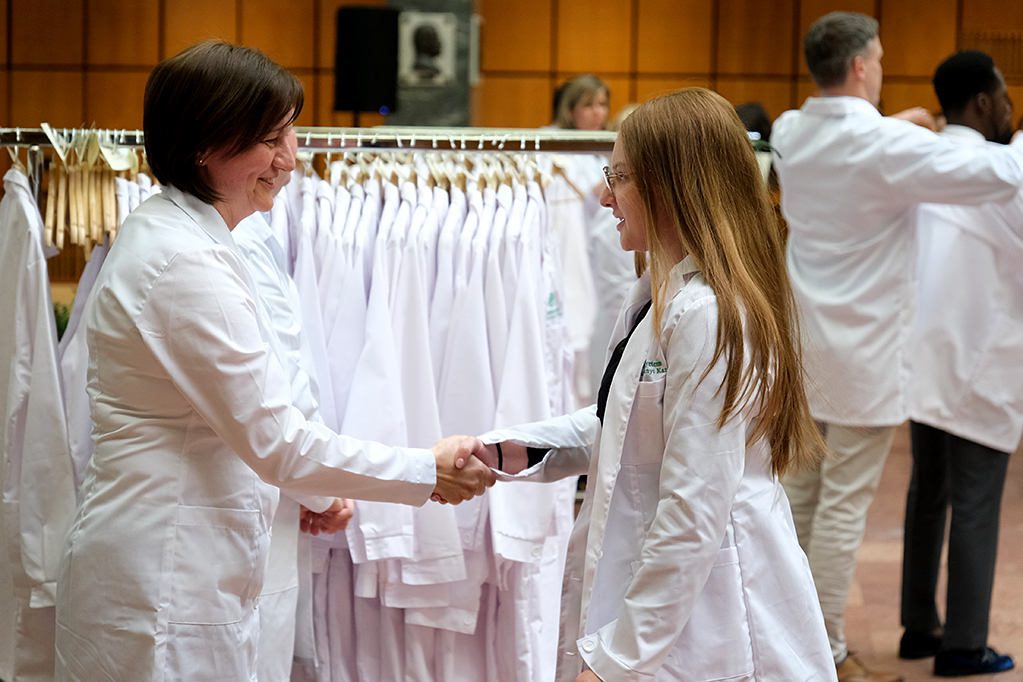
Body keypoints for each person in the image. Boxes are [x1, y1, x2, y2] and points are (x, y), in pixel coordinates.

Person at [52, 41, 495, 682]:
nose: (289, 159)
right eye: (269, 139)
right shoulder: (183, 260)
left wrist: (312, 489)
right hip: (164, 576)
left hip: (193, 565)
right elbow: (278, 438)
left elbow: (267, 398)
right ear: (205, 145)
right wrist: (425, 470)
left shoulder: (205, 237)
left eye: (290, 133)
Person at [472, 87, 837, 682]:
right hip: (668, 607)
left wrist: (616, 663)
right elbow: (624, 425)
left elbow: (694, 511)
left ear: (669, 186)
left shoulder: (707, 315)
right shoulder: (659, 296)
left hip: (715, 620)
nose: (604, 196)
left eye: (619, 178)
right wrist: (502, 451)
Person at [771, 12, 1023, 682]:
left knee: (797, 499)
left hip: (803, 350)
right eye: (879, 59)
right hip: (863, 359)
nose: (881, 70)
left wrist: (896, 127)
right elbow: (1003, 175)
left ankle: (780, 637)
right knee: (842, 508)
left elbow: (852, 145)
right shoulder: (886, 147)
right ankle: (824, 652)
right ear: (861, 67)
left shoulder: (791, 130)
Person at [901, 50, 1019, 677]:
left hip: (923, 354)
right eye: (1005, 97)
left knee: (929, 492)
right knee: (974, 500)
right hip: (981, 358)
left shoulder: (920, 159)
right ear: (983, 101)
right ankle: (965, 646)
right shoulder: (1003, 169)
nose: (1010, 109)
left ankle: (920, 627)